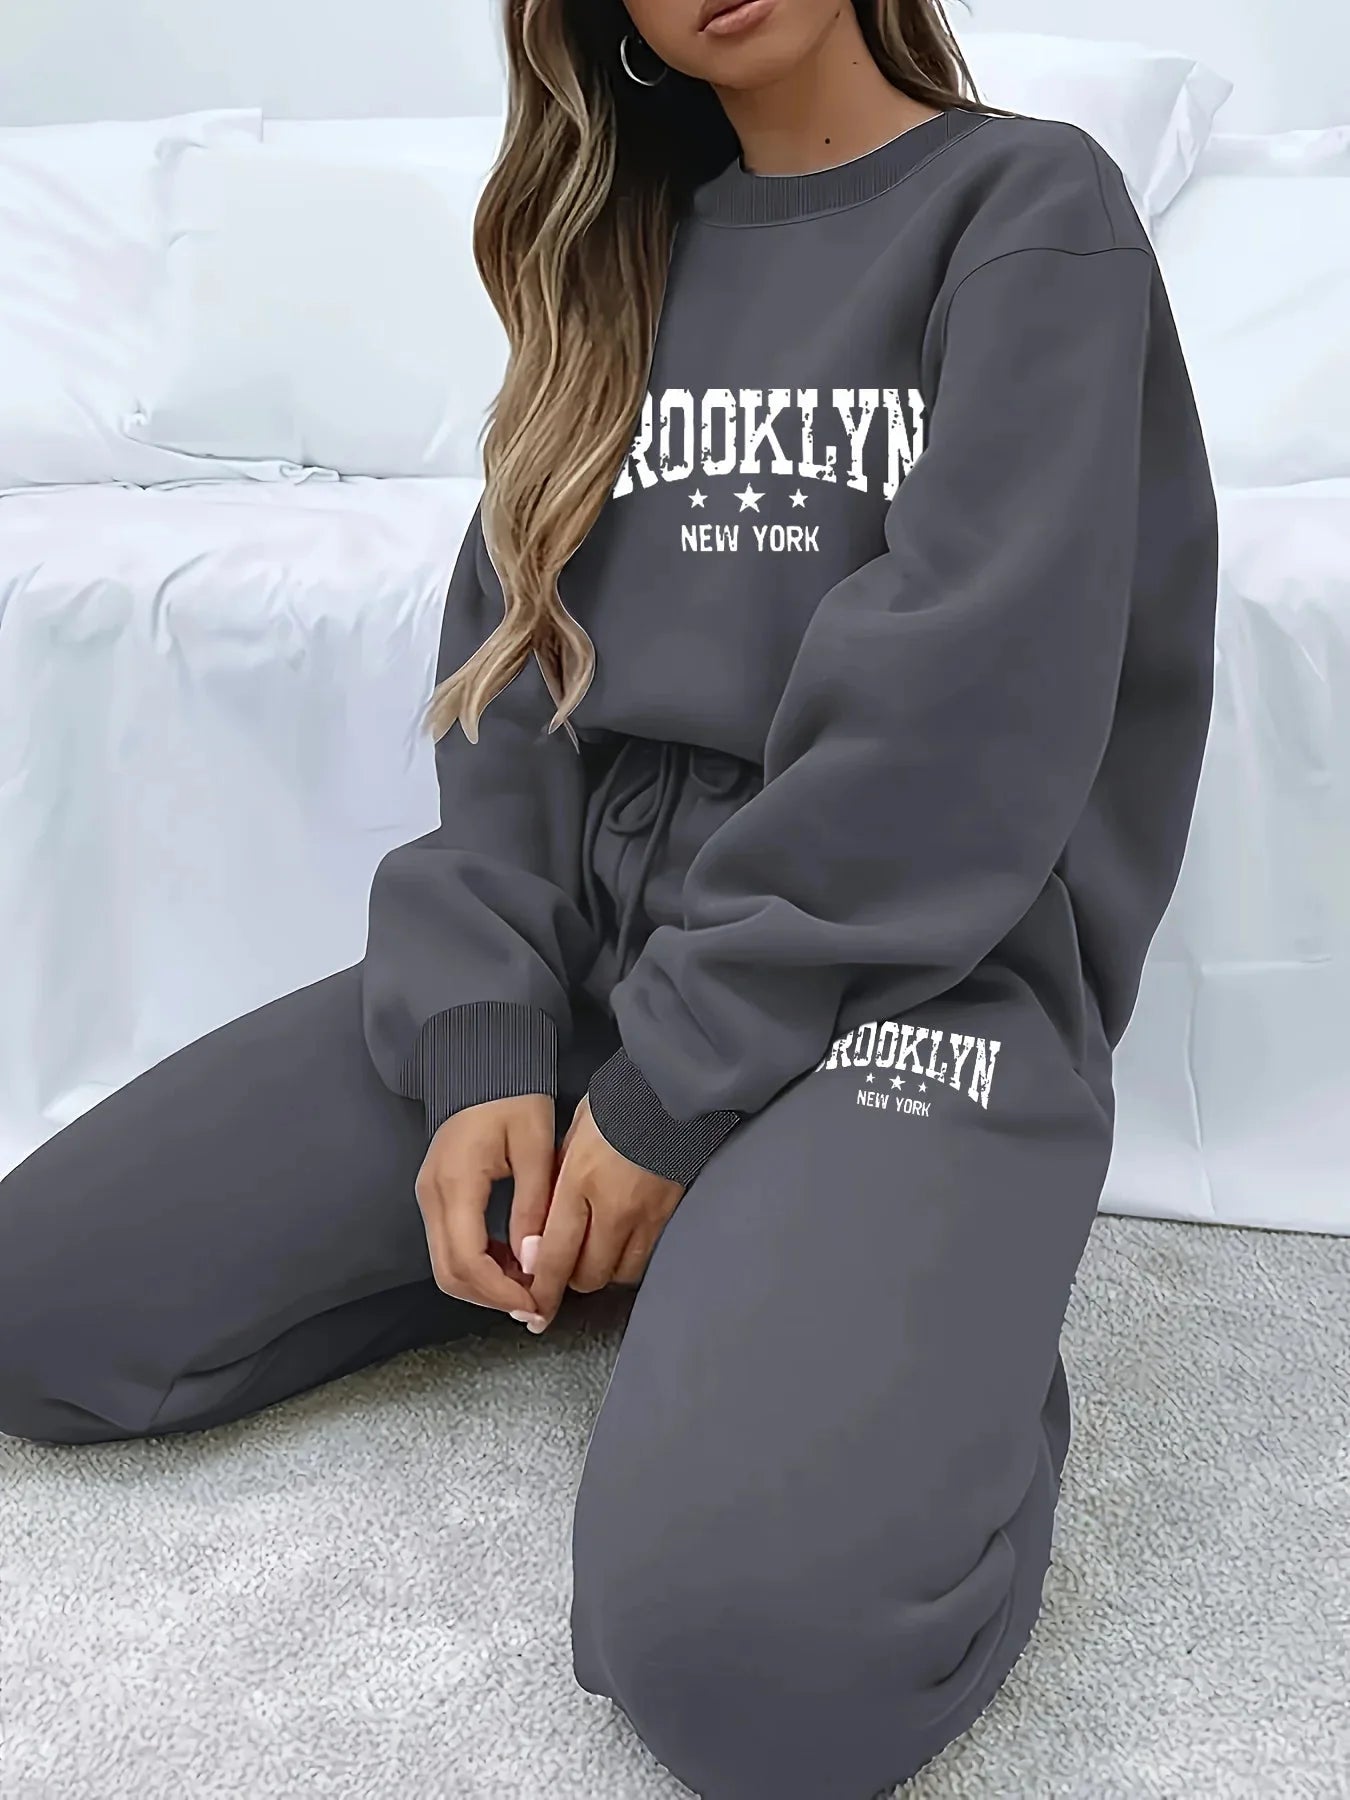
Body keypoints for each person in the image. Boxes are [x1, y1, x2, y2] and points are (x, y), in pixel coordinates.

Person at [0, 1, 1219, 1794]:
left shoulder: (1028, 209)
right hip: (590, 961)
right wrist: (485, 1036)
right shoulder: (617, 254)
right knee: (46, 1304)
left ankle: (913, 1348)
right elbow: (508, 692)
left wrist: (672, 1093)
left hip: (912, 978)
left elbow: (967, 719)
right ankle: (678, 1256)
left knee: (754, 1670)